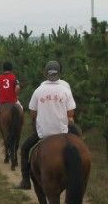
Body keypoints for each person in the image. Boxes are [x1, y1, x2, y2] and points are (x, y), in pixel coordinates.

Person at [17, 60, 81, 190]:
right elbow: (70, 112)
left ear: (46, 73)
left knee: (24, 149)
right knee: (79, 140)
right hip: (63, 132)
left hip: (43, 133)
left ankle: (25, 181)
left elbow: (33, 113)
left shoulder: (38, 90)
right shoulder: (65, 90)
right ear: (59, 73)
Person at [0, 61, 22, 126]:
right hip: (12, 100)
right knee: (21, 108)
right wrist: (16, 95)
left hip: (1, 100)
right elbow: (18, 87)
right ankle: (21, 122)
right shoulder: (14, 77)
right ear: (11, 69)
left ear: (3, 69)